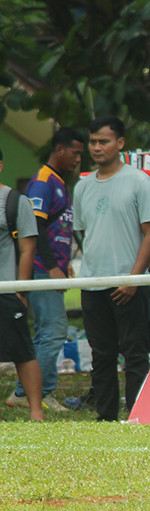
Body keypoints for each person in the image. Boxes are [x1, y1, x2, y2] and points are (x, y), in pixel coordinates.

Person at [73, 116, 150, 422]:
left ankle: (136, 413)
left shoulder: (139, 181)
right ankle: (106, 416)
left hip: (128, 284)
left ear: (120, 143)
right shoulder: (82, 186)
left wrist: (134, 280)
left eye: (104, 141)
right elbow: (84, 232)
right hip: (92, 283)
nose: (97, 147)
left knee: (134, 352)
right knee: (101, 354)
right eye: (93, 142)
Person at [6, 127, 84, 412]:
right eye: (75, 152)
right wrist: (52, 267)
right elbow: (34, 227)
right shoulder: (43, 181)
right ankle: (38, 392)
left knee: (47, 332)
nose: (78, 159)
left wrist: (63, 264)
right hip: (40, 269)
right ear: (59, 150)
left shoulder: (59, 182)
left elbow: (57, 229)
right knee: (53, 331)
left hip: (51, 268)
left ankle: (24, 392)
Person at [0, 146, 45, 421]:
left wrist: (21, 290)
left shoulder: (15, 202)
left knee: (23, 352)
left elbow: (28, 249)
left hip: (6, 289)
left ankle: (36, 410)